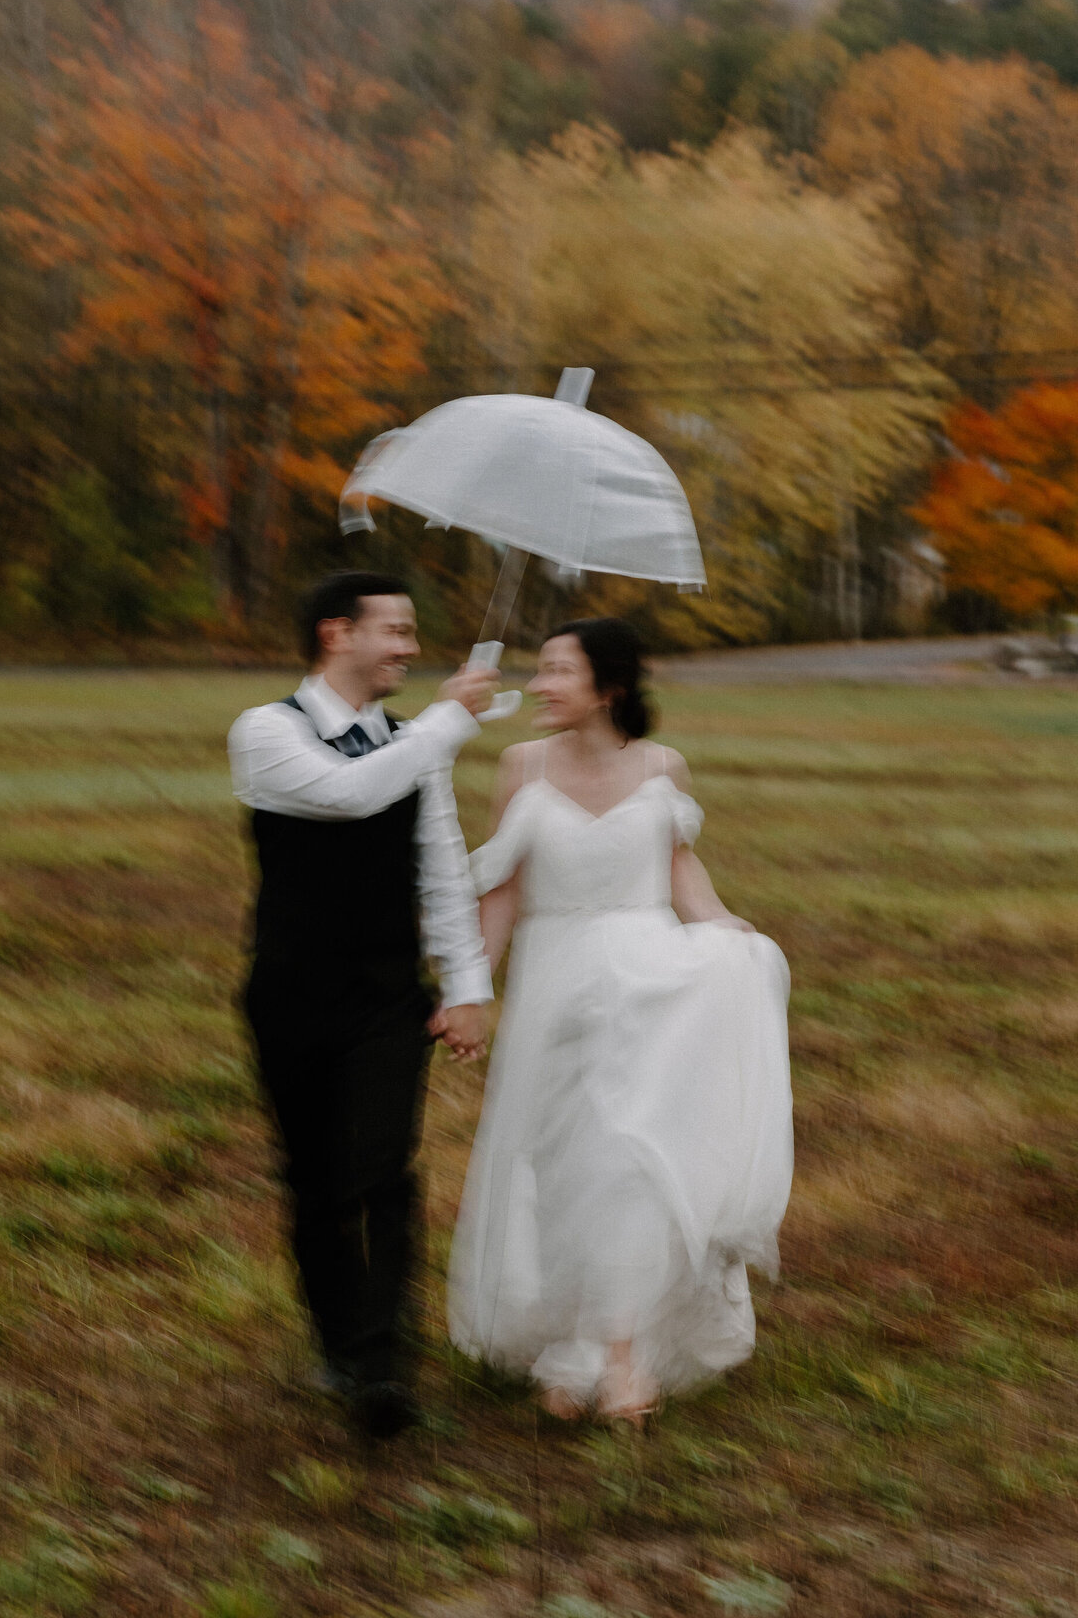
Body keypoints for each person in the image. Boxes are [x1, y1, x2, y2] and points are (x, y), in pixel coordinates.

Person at [447, 618, 793, 1425]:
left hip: (646, 985)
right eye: (538, 670)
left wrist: (725, 931)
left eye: (557, 671)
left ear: (608, 687)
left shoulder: (661, 767)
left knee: (630, 1164)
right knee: (564, 1166)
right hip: (554, 987)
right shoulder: (520, 766)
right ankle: (571, 1342)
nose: (538, 685)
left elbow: (681, 871)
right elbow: (500, 890)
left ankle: (622, 1355)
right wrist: (473, 988)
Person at [228, 571, 498, 1439]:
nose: (412, 650)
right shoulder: (267, 732)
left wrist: (466, 987)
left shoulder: (415, 745)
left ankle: (383, 1368)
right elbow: (348, 794)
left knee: (384, 1171)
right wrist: (449, 723)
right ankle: (340, 1348)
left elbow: (444, 870)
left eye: (413, 633)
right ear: (335, 633)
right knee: (315, 1184)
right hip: (291, 999)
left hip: (387, 1000)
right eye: (397, 631)